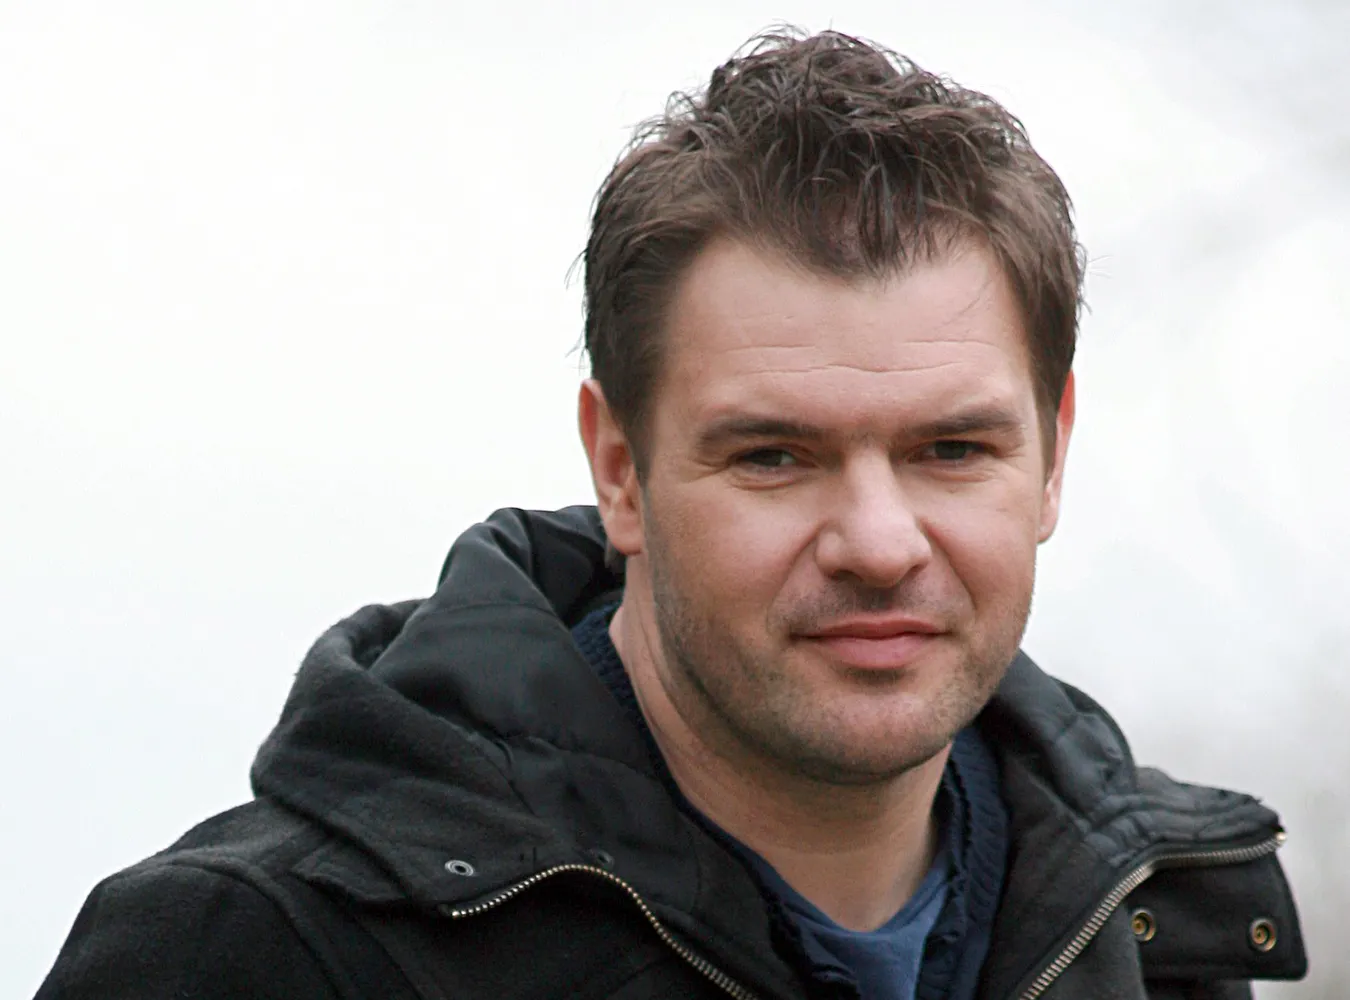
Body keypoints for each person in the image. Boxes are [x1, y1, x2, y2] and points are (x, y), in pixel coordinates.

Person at [36, 29, 1305, 1000]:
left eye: (952, 450)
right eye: (776, 456)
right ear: (620, 470)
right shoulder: (258, 954)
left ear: (1053, 455)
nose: (877, 542)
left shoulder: (1159, 939)